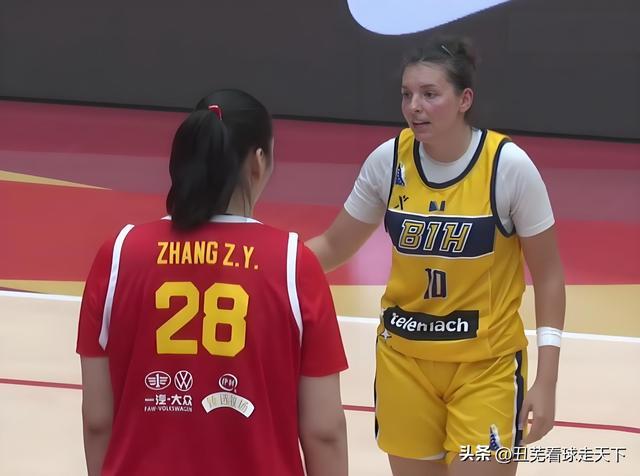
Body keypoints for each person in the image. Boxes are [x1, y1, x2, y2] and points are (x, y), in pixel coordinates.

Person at [307, 37, 565, 476]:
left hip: (485, 367)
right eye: (407, 94)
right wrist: (266, 264)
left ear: (465, 100)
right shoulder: (388, 160)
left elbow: (549, 276)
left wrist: (547, 380)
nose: (414, 107)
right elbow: (334, 246)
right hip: (404, 362)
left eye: (430, 94)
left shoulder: (508, 166)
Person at [77, 89, 349, 476]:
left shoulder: (119, 253)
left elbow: (97, 420)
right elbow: (324, 430)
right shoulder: (293, 263)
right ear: (258, 161)